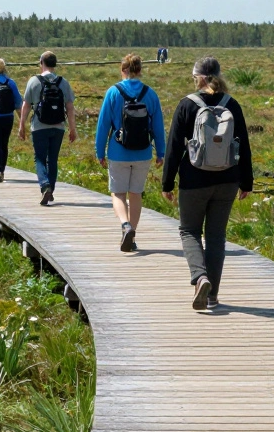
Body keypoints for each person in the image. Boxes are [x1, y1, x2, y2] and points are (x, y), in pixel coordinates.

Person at [161, 57, 253, 310]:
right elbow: (243, 144)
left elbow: (173, 147)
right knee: (216, 237)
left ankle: (200, 277)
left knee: (189, 231)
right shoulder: (232, 104)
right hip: (228, 179)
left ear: (198, 78)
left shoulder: (187, 105)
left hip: (193, 180)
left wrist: (167, 183)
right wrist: (247, 182)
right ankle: (212, 296)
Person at [95, 53, 166, 252]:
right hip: (143, 153)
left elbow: (103, 125)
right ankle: (132, 235)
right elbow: (158, 126)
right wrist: (161, 151)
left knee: (118, 193)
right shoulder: (150, 94)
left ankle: (125, 225)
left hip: (118, 152)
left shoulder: (113, 92)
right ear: (140, 70)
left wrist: (99, 151)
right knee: (136, 194)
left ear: (123, 70)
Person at [19, 51, 77, 205]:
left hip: (39, 126)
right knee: (53, 159)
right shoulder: (63, 82)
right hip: (58, 126)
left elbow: (26, 106)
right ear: (55, 64)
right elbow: (70, 107)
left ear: (41, 63)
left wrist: (21, 125)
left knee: (39, 158)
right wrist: (73, 128)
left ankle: (45, 186)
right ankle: (50, 187)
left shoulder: (33, 81)